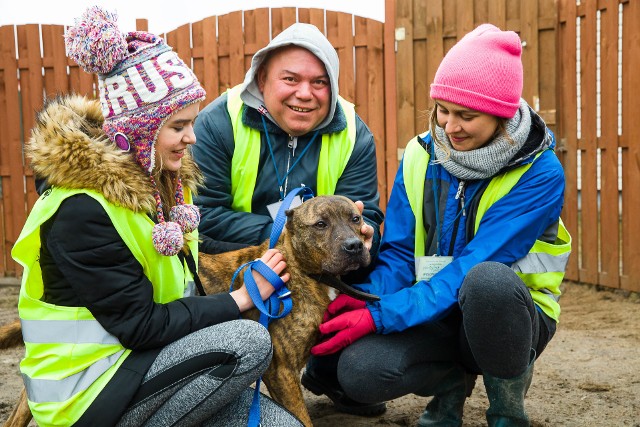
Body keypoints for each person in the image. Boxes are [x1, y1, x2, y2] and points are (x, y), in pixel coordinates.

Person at [13, 7, 302, 427]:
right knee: (247, 341)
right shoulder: (82, 210)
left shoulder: (159, 186)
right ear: (139, 131)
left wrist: (256, 262)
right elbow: (142, 325)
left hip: (151, 370)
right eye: (178, 126)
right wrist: (240, 299)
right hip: (88, 394)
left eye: (193, 123)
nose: (192, 138)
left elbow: (187, 266)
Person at [304, 24, 572, 426]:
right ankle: (450, 386)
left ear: (501, 116)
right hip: (433, 307)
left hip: (509, 317)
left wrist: (380, 316)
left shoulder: (540, 172)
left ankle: (506, 410)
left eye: (467, 115)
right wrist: (366, 297)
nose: (449, 127)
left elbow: (470, 269)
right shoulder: (420, 153)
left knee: (488, 283)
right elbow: (397, 252)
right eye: (442, 110)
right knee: (359, 373)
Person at [192, 23, 384, 268]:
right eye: (290, 79)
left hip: (322, 274)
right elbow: (202, 214)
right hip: (233, 268)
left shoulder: (354, 134)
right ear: (262, 80)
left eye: (319, 82)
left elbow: (366, 216)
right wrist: (286, 232)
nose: (304, 93)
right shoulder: (219, 123)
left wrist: (367, 234)